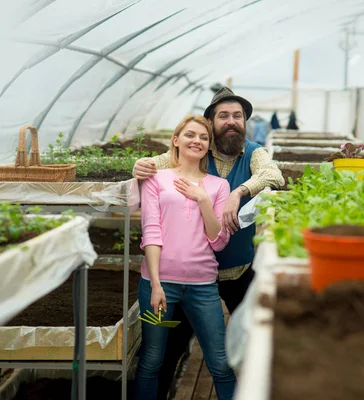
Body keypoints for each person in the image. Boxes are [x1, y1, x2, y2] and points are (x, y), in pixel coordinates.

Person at [132, 87, 284, 399]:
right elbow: (157, 164)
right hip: (193, 276)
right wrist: (139, 166)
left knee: (250, 347)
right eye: (223, 116)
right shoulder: (197, 152)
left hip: (238, 271)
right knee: (166, 353)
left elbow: (273, 175)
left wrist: (237, 192)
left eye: (238, 116)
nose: (232, 122)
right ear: (211, 122)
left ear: (245, 122)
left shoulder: (254, 152)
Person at [135, 114, 236, 400]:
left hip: (203, 286)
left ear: (208, 147)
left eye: (204, 138)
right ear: (177, 140)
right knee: (151, 361)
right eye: (191, 135)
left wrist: (202, 199)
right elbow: (151, 231)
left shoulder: (219, 186)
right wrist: (155, 285)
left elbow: (218, 241)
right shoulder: (157, 178)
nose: (198, 141)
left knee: (220, 363)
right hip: (158, 284)